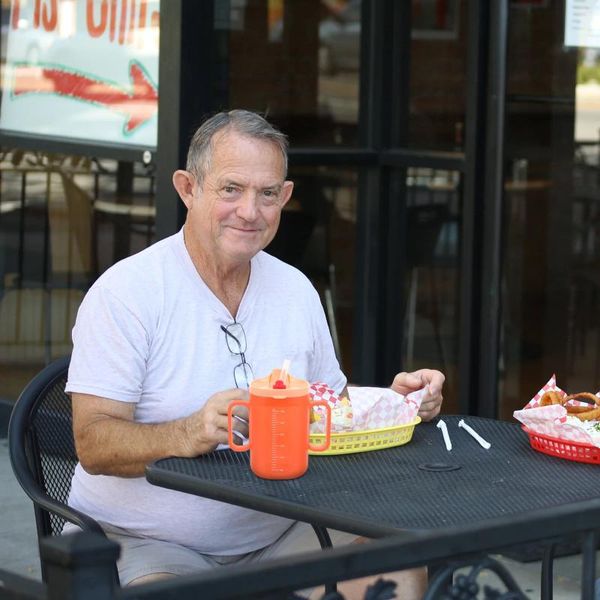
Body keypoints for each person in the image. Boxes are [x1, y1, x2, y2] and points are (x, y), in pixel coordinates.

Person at [65, 109, 445, 597]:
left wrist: (394, 400)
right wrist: (187, 432)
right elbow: (92, 444)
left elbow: (331, 405)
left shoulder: (294, 288)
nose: (250, 210)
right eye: (231, 189)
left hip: (283, 529)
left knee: (397, 573)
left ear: (285, 197)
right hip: (145, 541)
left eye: (267, 194)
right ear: (187, 188)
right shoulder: (127, 293)